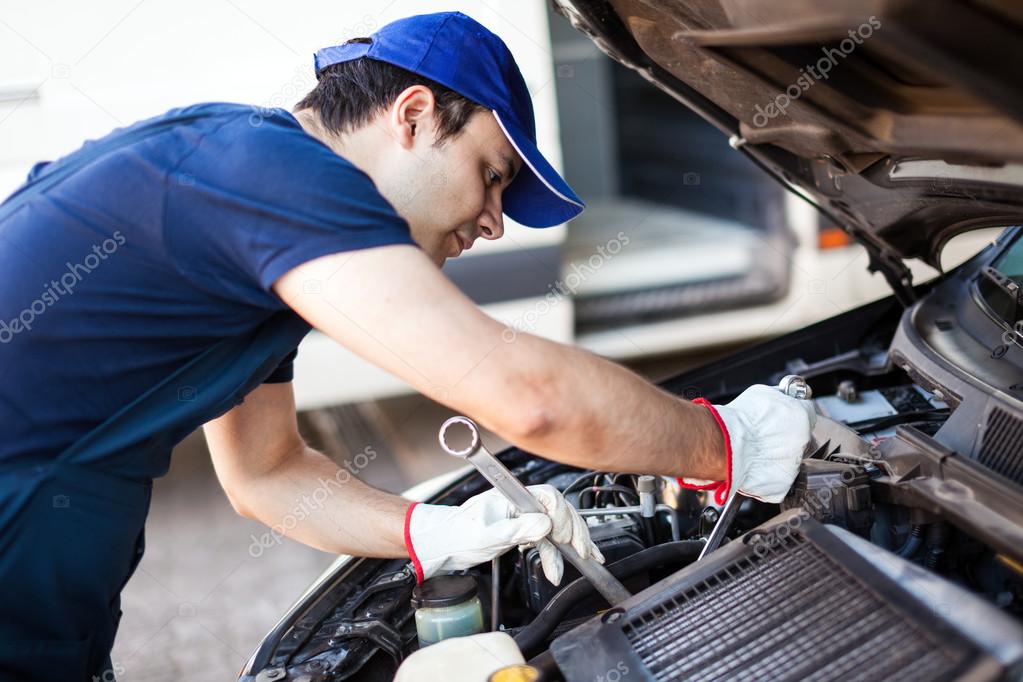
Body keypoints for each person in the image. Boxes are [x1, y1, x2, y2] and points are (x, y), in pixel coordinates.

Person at [0, 12, 815, 681]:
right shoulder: (273, 174)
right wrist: (726, 443)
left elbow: (267, 473)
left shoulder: (253, 215)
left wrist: (433, 530)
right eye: (492, 175)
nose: (493, 219)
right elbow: (528, 398)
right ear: (414, 115)